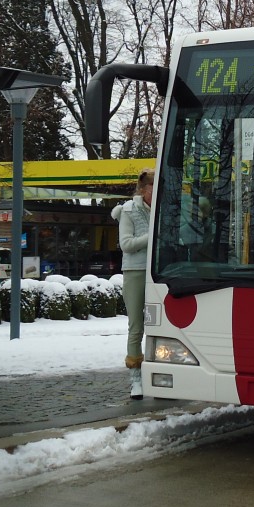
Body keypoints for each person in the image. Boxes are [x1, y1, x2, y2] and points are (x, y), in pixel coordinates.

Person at [112, 168, 154, 399]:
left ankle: (159, 372)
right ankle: (135, 379)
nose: (156, 193)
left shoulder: (163, 208)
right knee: (136, 326)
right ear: (143, 189)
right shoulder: (128, 210)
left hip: (159, 272)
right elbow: (126, 244)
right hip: (136, 271)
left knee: (161, 325)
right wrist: (153, 235)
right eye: (153, 189)